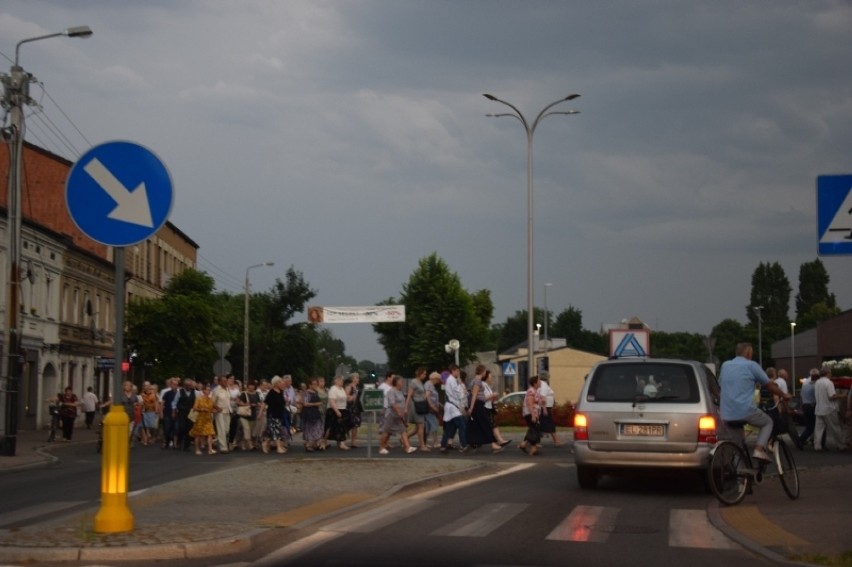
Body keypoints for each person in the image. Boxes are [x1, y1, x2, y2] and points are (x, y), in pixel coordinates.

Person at [718, 342, 791, 461]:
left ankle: (740, 476)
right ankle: (759, 449)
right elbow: (769, 385)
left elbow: (720, 385)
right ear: (748, 352)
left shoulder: (725, 365)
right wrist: (784, 395)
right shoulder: (751, 365)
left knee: (738, 448)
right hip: (744, 410)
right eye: (751, 352)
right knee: (768, 422)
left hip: (726, 413)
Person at [466, 365, 503, 453]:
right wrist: (471, 407)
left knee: (476, 424)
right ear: (482, 371)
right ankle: (493, 443)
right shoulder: (477, 381)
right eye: (485, 372)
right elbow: (474, 395)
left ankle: (473, 442)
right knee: (485, 424)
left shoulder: (474, 380)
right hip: (478, 405)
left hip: (477, 404)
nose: (486, 374)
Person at [379, 375, 416, 455]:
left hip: (399, 416)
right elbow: (392, 403)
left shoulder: (399, 391)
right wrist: (398, 411)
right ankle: (381, 447)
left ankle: (407, 447)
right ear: (396, 382)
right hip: (391, 415)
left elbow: (402, 402)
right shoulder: (391, 391)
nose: (402, 382)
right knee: (386, 431)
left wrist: (404, 411)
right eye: (401, 381)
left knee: (403, 430)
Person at [814, 366, 847, 452]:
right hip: (829, 409)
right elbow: (832, 396)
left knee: (818, 429)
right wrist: (842, 396)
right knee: (835, 428)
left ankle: (817, 446)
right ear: (827, 373)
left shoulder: (817, 382)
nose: (831, 374)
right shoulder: (829, 383)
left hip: (819, 409)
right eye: (830, 373)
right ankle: (841, 445)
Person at [440, 364, 469, 453]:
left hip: (453, 407)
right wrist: (462, 390)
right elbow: (457, 393)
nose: (458, 372)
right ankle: (464, 445)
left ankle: (443, 445)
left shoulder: (453, 380)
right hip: (453, 407)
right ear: (453, 371)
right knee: (462, 426)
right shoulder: (451, 380)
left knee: (450, 428)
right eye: (457, 371)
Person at [482, 370, 511, 447]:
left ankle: (499, 440)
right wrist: (492, 395)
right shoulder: (483, 385)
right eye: (491, 377)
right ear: (486, 378)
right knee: (490, 426)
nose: (492, 379)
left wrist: (493, 398)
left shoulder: (487, 386)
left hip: (489, 407)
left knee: (493, 424)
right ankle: (497, 441)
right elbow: (483, 398)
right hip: (485, 408)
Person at [405, 367, 430, 451]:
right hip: (416, 405)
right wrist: (406, 407)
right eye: (424, 374)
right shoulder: (413, 382)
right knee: (421, 425)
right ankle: (422, 445)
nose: (425, 375)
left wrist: (425, 396)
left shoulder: (420, 382)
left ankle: (404, 438)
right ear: (420, 374)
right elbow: (409, 395)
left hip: (421, 405)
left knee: (418, 427)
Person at [518, 375, 544, 456]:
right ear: (535, 383)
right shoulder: (531, 391)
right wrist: (533, 415)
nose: (540, 382)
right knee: (534, 430)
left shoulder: (535, 391)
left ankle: (529, 446)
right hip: (530, 413)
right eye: (539, 381)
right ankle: (529, 446)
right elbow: (529, 403)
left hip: (534, 413)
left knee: (533, 429)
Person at [262, 376, 288, 454]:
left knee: (273, 431)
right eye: (280, 382)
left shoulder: (281, 392)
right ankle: (278, 447)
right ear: (276, 383)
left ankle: (265, 443)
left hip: (279, 414)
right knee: (276, 430)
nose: (282, 383)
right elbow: (264, 403)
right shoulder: (271, 392)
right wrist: (260, 413)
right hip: (272, 414)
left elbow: (282, 403)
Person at [189, 384, 217, 455]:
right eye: (207, 390)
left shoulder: (210, 400)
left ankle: (210, 449)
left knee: (210, 433)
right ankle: (197, 449)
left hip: (208, 418)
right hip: (200, 418)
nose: (208, 391)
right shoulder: (199, 398)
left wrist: (215, 410)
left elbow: (212, 408)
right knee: (198, 434)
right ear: (203, 390)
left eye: (209, 390)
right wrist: (201, 409)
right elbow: (194, 408)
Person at [327, 375, 351, 450]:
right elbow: (332, 402)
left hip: (343, 409)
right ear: (336, 381)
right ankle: (324, 441)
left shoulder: (341, 389)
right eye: (340, 380)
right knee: (332, 427)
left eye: (342, 380)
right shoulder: (333, 389)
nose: (342, 381)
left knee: (342, 428)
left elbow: (344, 398)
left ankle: (341, 443)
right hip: (335, 410)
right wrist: (337, 411)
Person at [538, 375, 563, 446]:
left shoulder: (543, 385)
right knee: (550, 424)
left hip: (545, 407)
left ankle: (534, 441)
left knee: (541, 425)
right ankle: (556, 441)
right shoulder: (544, 385)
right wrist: (545, 409)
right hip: (545, 407)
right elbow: (542, 397)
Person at [797, 369, 818, 449]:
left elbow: (802, 394)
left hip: (805, 405)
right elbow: (816, 395)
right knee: (812, 426)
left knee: (810, 425)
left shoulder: (805, 382)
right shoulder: (814, 384)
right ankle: (801, 440)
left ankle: (808, 440)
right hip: (811, 406)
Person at [300, 378, 324, 451]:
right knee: (309, 429)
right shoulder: (307, 393)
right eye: (314, 384)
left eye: (316, 384)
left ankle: (316, 443)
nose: (315, 385)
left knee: (317, 428)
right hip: (309, 413)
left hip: (315, 413)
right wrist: (315, 404)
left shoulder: (315, 392)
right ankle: (308, 445)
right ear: (310, 385)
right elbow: (305, 403)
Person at [211, 376, 232, 453]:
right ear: (219, 382)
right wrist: (217, 407)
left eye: (226, 381)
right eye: (223, 381)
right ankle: (223, 448)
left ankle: (214, 441)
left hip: (227, 411)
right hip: (220, 412)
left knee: (227, 430)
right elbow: (212, 402)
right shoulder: (216, 390)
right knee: (221, 430)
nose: (225, 382)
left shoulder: (227, 389)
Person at [424, 371, 443, 449]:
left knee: (428, 426)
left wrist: (439, 405)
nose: (438, 382)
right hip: (430, 409)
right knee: (434, 424)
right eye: (438, 380)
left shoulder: (429, 384)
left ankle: (425, 443)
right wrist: (432, 406)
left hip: (430, 408)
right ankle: (436, 442)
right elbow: (427, 396)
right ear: (435, 379)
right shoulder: (429, 385)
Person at [346, 373, 363, 448]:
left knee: (356, 425)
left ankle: (353, 442)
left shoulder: (358, 387)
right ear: (353, 379)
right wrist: (353, 396)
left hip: (357, 408)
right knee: (349, 424)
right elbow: (346, 397)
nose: (358, 379)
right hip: (350, 408)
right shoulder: (349, 387)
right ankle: (343, 441)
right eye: (357, 378)